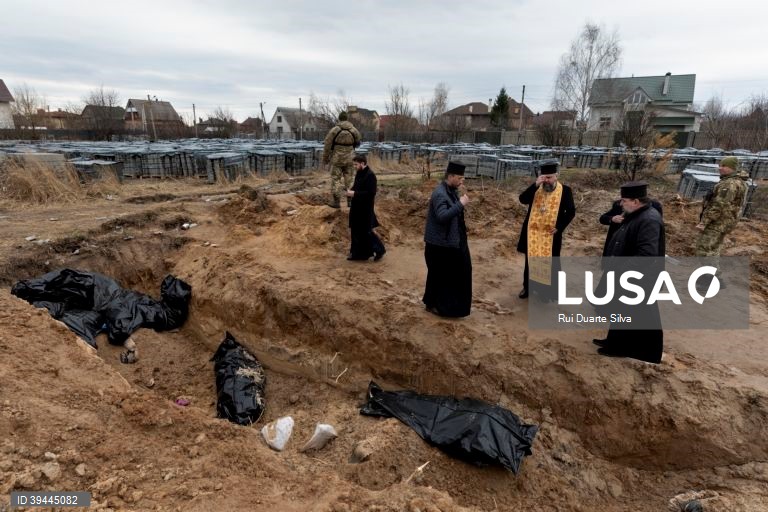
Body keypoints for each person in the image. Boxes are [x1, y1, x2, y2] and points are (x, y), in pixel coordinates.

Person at [594, 181, 665, 364]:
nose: (621, 203)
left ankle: (627, 349)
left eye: (624, 200)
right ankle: (613, 342)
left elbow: (646, 254)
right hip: (628, 273)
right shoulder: (636, 213)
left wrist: (622, 270)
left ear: (635, 201)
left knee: (637, 315)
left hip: (638, 276)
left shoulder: (649, 219)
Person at [516, 160, 575, 299]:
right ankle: (528, 288)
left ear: (557, 176)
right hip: (533, 233)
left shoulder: (565, 191)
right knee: (530, 261)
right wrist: (536, 184)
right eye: (544, 177)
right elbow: (522, 199)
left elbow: (571, 211)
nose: (546, 180)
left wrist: (559, 227)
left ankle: (545, 292)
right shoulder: (537, 187)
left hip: (551, 234)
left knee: (550, 264)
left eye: (549, 177)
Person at [422, 161, 471, 318]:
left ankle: (432, 303)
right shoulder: (440, 193)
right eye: (460, 178)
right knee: (440, 276)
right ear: (450, 176)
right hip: (438, 244)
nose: (462, 181)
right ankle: (439, 306)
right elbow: (442, 216)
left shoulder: (450, 190)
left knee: (439, 275)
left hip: (446, 242)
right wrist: (461, 204)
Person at [695, 156, 748, 282]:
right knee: (714, 249)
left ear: (732, 168)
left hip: (718, 222)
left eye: (724, 166)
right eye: (720, 165)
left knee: (704, 249)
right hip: (726, 221)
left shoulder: (729, 184)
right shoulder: (739, 181)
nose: (720, 168)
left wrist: (704, 222)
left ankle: (711, 279)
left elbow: (719, 205)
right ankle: (714, 278)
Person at [346, 154, 385, 261]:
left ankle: (380, 250)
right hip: (356, 208)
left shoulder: (370, 175)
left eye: (356, 164)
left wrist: (354, 193)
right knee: (356, 231)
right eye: (353, 164)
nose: (354, 166)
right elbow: (357, 186)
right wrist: (350, 191)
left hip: (365, 209)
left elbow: (370, 193)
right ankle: (358, 254)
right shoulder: (359, 173)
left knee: (366, 232)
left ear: (362, 163)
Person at [323, 112, 362, 209]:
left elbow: (327, 145)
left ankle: (336, 202)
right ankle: (350, 201)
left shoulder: (334, 130)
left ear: (339, 119)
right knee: (350, 179)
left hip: (337, 158)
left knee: (336, 179)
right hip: (350, 158)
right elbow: (358, 143)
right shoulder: (354, 130)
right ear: (347, 118)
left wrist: (325, 159)